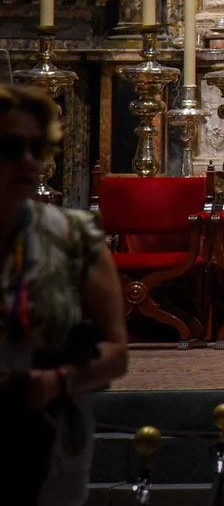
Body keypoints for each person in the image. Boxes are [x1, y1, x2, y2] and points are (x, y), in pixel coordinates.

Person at [0, 85, 128, 506]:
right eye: (10, 147)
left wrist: (56, 381)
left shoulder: (73, 237)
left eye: (37, 146)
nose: (28, 160)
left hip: (50, 430)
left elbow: (115, 351)